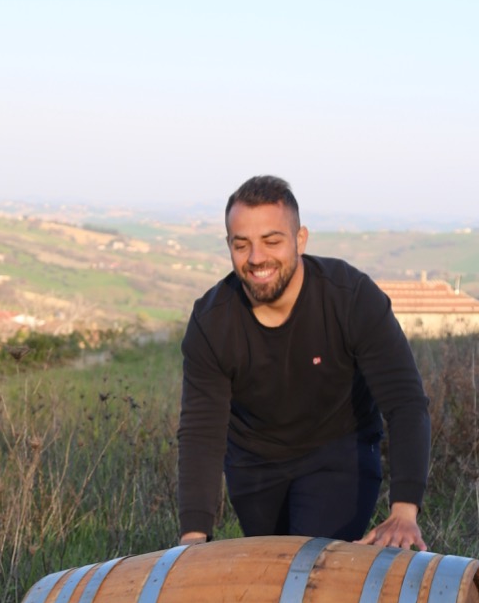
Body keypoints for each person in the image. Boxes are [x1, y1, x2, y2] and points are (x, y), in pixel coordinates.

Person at [177, 175, 431, 549]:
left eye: (272, 241)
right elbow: (201, 430)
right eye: (242, 244)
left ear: (300, 239)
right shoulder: (212, 321)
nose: (256, 258)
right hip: (254, 464)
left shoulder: (350, 297)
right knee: (273, 569)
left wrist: (404, 512)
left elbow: (405, 402)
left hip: (338, 451)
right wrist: (193, 537)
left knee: (310, 562)